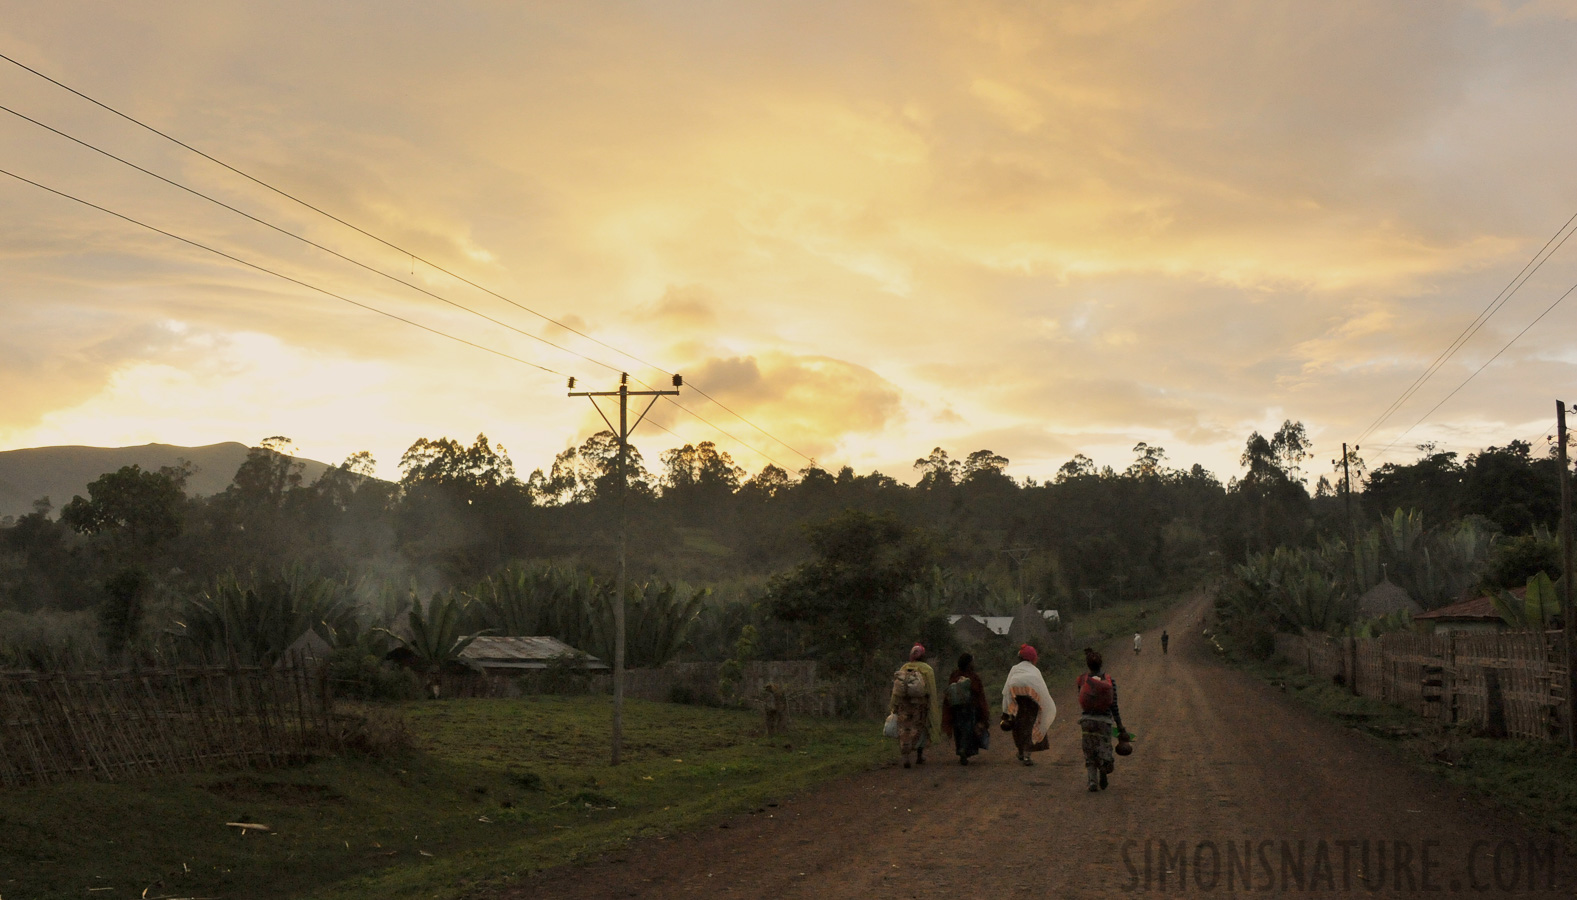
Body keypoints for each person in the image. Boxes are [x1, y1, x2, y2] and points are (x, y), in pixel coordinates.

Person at [1076, 648, 1129, 792]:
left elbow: (1080, 699)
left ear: (1088, 664)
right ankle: (1104, 770)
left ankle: (1092, 781)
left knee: (1089, 751)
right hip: (1104, 722)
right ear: (1101, 664)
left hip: (1086, 721)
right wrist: (1120, 727)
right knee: (1104, 749)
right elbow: (1114, 706)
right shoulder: (1109, 681)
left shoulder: (1082, 680)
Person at [1001, 644, 1056, 766]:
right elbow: (1042, 690)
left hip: (1017, 700)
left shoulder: (1014, 668)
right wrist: (1044, 705)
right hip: (1031, 703)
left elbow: (1007, 688)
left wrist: (1006, 711)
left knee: (1018, 726)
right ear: (1033, 658)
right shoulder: (1035, 671)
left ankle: (1020, 752)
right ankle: (1026, 756)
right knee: (1031, 726)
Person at [890, 643, 940, 769]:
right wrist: (932, 705)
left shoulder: (905, 667)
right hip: (919, 705)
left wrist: (894, 705)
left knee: (904, 730)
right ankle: (919, 755)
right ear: (923, 656)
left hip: (904, 706)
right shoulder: (927, 669)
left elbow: (896, 689)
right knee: (920, 728)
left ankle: (905, 757)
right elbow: (930, 690)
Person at [941, 652, 990, 765]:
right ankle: (964, 750)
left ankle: (960, 750)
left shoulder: (954, 675)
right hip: (970, 708)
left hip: (955, 709)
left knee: (958, 730)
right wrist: (983, 712)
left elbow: (949, 692)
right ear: (969, 664)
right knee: (968, 730)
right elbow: (979, 695)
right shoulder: (973, 677)